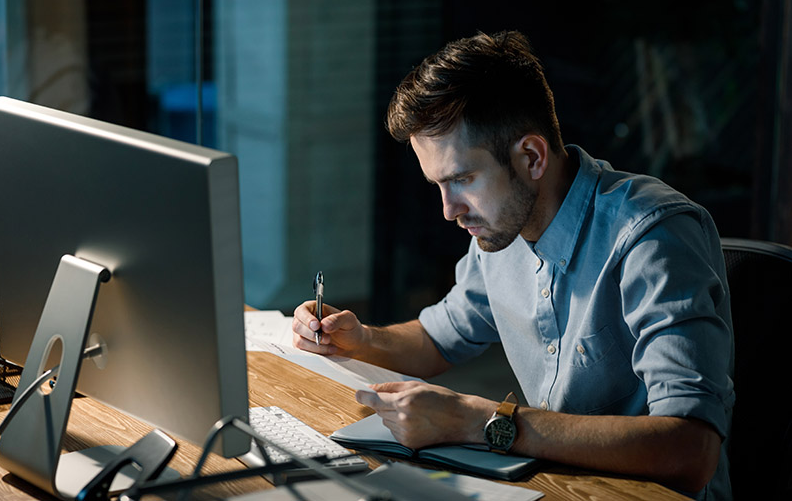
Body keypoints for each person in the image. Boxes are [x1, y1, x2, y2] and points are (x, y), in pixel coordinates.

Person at [291, 31, 734, 500]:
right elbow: (436, 341)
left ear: (531, 157)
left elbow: (692, 449)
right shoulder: (499, 228)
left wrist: (483, 422)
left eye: (461, 179)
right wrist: (359, 339)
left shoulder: (652, 237)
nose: (448, 210)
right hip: (553, 486)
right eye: (437, 184)